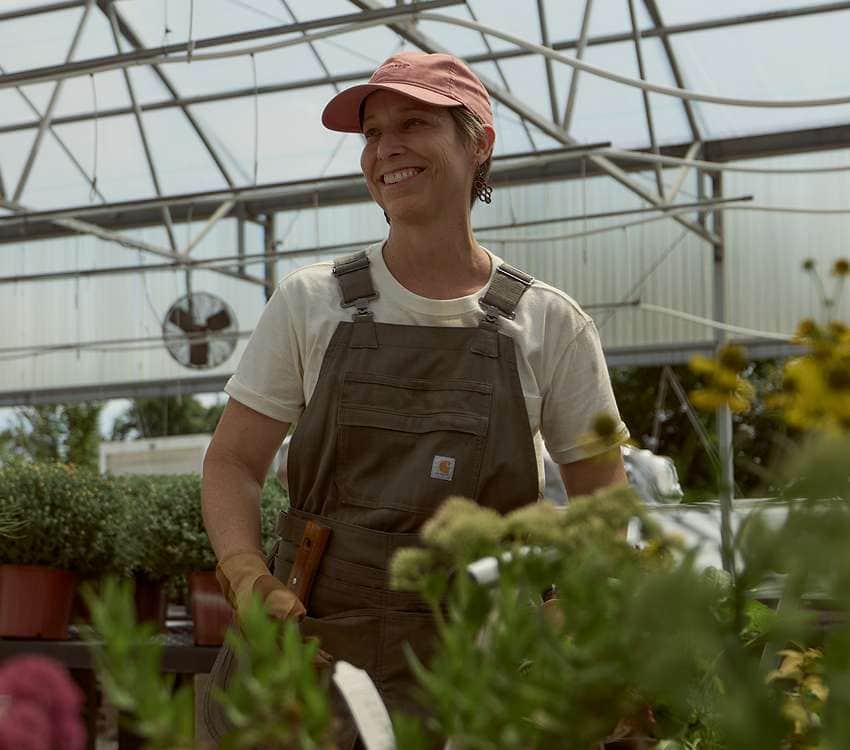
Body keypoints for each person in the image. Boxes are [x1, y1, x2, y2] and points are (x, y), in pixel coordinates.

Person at [202, 51, 629, 747]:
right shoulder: (313, 302)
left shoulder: (550, 323)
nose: (386, 148)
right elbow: (233, 463)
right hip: (312, 649)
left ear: (478, 143)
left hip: (483, 663)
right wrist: (244, 571)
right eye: (372, 133)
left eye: (413, 124)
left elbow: (603, 498)